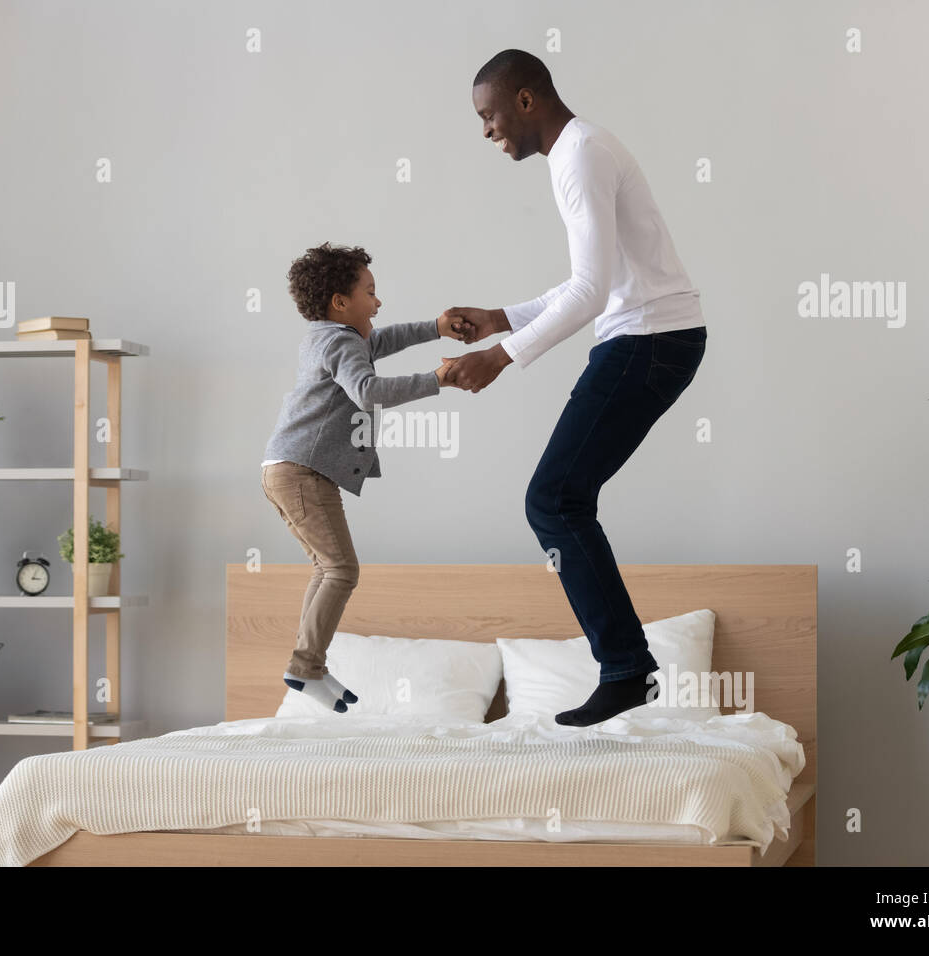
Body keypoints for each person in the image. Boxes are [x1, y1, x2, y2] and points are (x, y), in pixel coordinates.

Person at [443, 50, 708, 727]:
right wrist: (506, 318)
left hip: (649, 340)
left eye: (489, 114)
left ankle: (625, 669)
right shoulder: (578, 153)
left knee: (553, 499)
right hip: (651, 336)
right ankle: (626, 667)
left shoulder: (582, 154)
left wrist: (503, 355)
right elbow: (594, 281)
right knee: (560, 498)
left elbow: (593, 294)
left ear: (525, 101)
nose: (485, 131)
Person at [262, 241, 472, 711]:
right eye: (370, 293)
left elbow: (384, 340)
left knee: (328, 568)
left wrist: (436, 328)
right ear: (341, 303)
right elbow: (368, 392)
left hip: (284, 469)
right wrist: (437, 380)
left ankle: (308, 667)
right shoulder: (339, 341)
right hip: (302, 472)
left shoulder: (327, 337)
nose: (378, 303)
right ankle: (303, 667)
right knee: (341, 570)